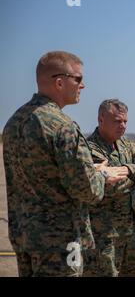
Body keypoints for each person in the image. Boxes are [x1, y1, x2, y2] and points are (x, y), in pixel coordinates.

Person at [2, 51, 126, 277]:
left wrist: (90, 170)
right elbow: (85, 189)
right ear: (59, 82)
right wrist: (102, 176)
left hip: (25, 236)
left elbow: (38, 173)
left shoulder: (14, 122)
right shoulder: (62, 126)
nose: (83, 85)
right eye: (78, 79)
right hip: (60, 240)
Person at [83, 99, 135, 277]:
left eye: (125, 121)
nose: (122, 126)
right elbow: (108, 187)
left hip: (131, 231)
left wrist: (128, 169)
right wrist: (134, 177)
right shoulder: (88, 149)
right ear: (101, 120)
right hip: (104, 234)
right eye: (117, 121)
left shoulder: (127, 145)